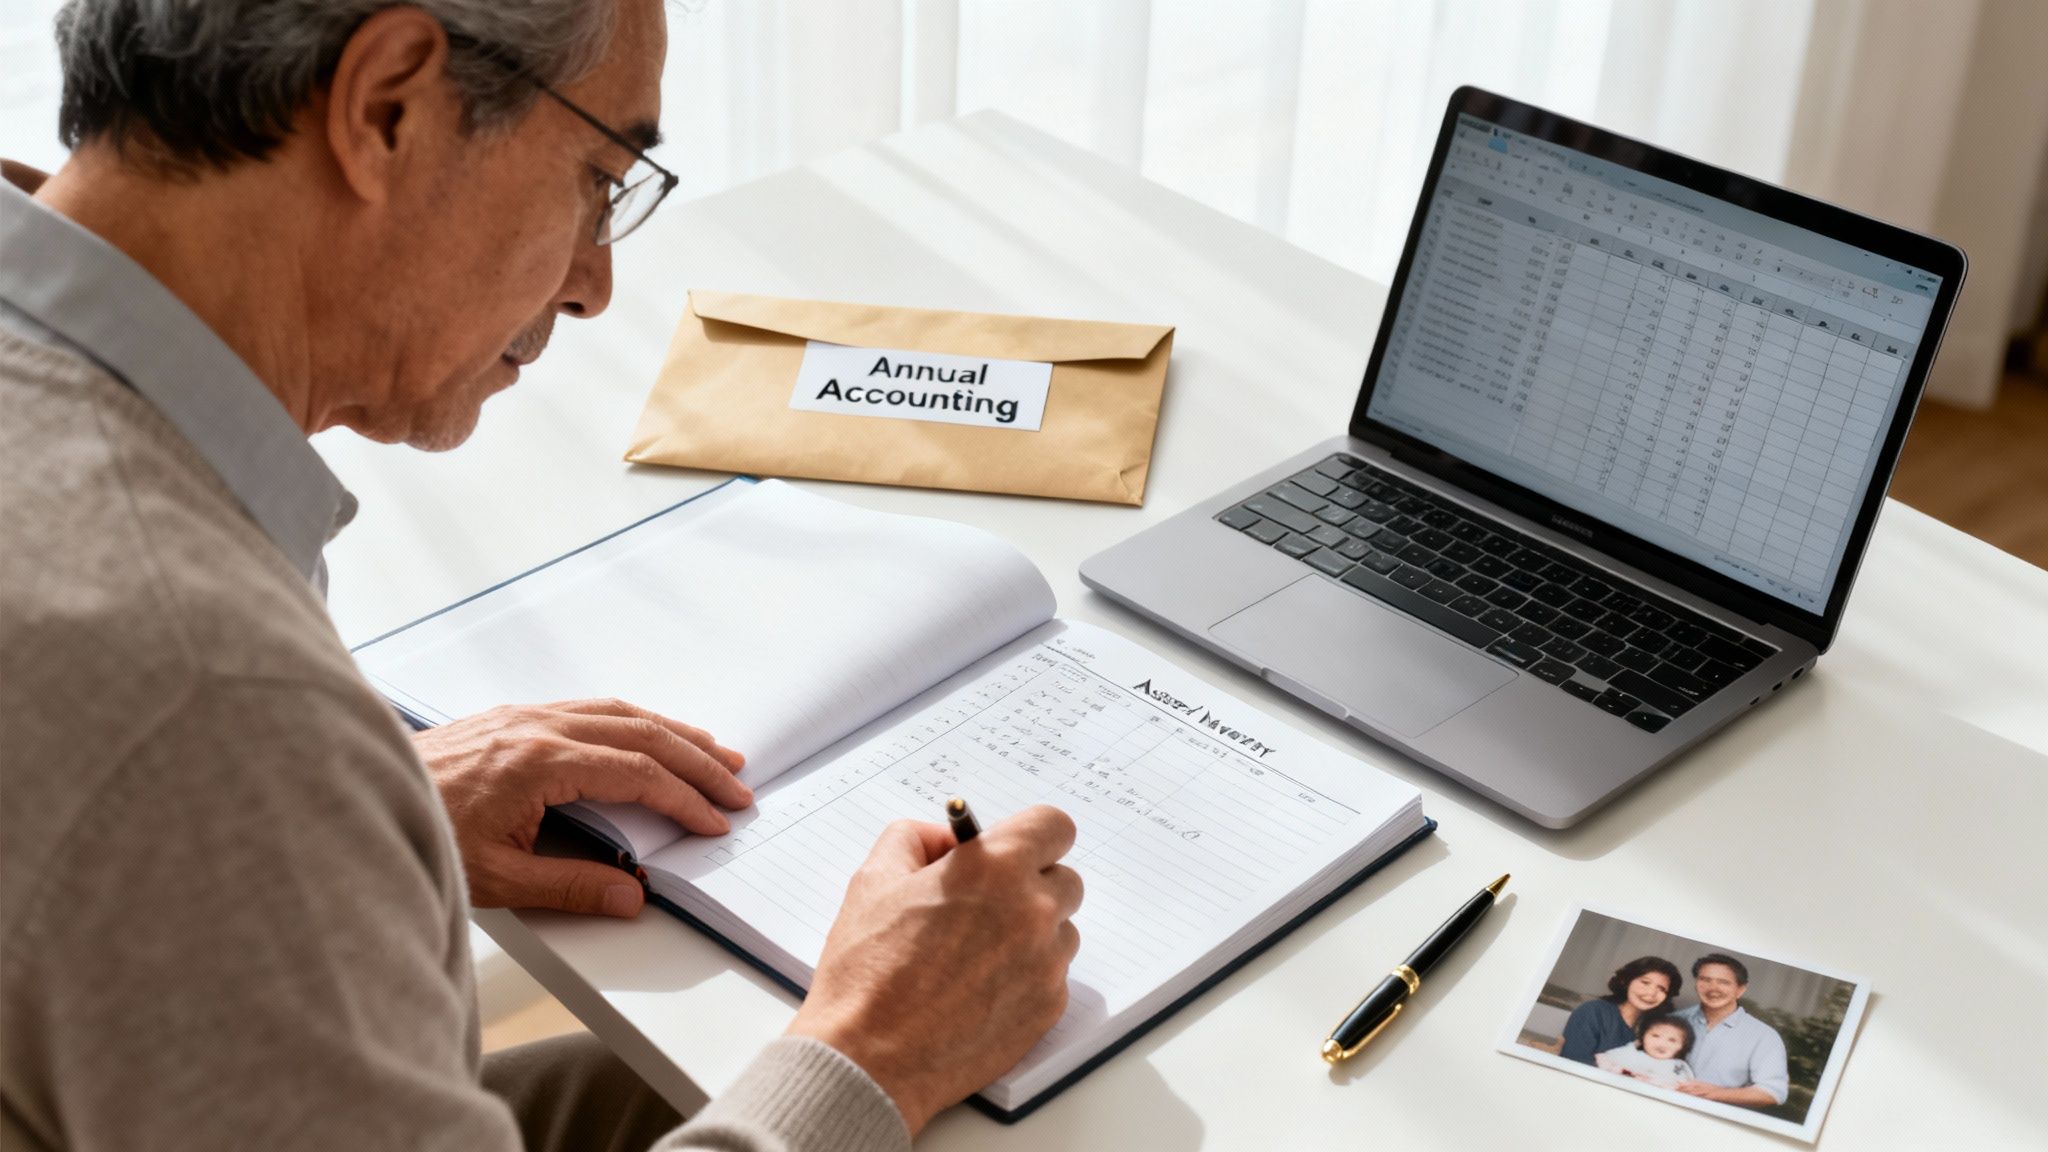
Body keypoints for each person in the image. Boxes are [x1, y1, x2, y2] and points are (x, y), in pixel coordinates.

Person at [0, 3, 1084, 1151]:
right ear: (388, 108)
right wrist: (876, 1050)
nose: (592, 285)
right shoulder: (210, 701)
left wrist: (364, 806)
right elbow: (176, 740)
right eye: (600, 175)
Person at [1673, 953, 1790, 1109]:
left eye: (1723, 982)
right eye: (1705, 980)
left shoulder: (1764, 1036)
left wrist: (1715, 1093)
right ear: (1696, 983)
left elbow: (1773, 1092)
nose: (1713, 988)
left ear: (1740, 989)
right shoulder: (1673, 1021)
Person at [1557, 955, 1682, 1064]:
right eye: (1645, 982)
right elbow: (1573, 1063)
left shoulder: (1658, 1029)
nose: (1651, 993)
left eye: (1661, 989)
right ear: (1626, 981)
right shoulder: (1593, 1011)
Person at [1593, 1014, 1697, 1089]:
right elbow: (1602, 1064)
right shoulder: (1629, 1054)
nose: (1661, 1044)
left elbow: (1685, 1092)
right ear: (1642, 1037)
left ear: (1683, 1046)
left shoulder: (1679, 1068)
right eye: (1655, 1036)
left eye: (1672, 1040)